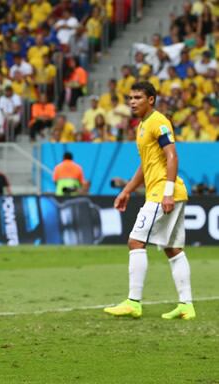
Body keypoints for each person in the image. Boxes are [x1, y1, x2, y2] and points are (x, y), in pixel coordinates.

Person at [104, 81, 195, 320]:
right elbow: (145, 167)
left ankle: (133, 302)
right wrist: (126, 190)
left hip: (163, 193)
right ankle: (187, 305)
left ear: (151, 100)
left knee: (135, 242)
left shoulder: (159, 122)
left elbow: (172, 156)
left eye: (137, 98)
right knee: (173, 249)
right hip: (167, 191)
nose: (132, 102)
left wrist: (166, 192)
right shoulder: (142, 127)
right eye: (130, 98)